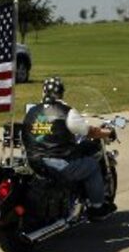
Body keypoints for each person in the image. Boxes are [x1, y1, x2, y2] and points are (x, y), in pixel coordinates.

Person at [21, 76, 117, 220]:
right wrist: (107, 132)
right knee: (91, 166)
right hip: (58, 163)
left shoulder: (32, 111)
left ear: (43, 92)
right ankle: (97, 208)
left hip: (34, 161)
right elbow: (88, 131)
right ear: (61, 93)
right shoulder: (66, 112)